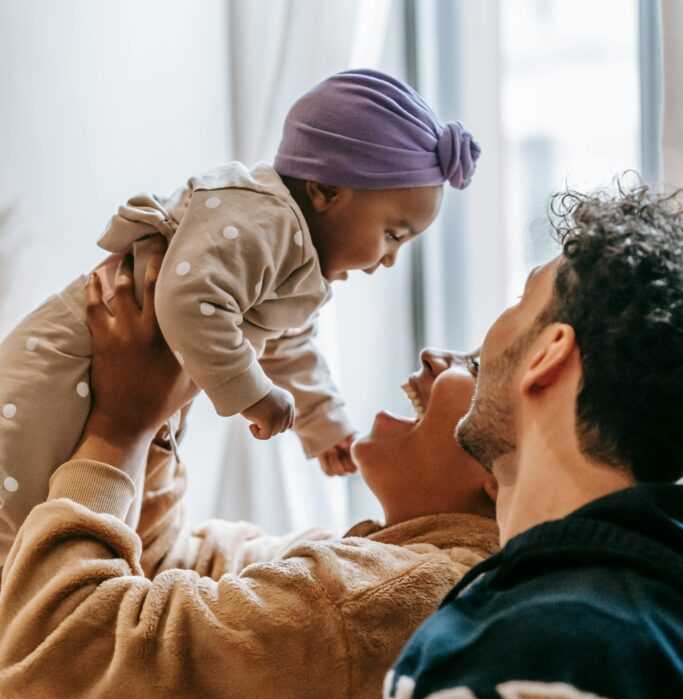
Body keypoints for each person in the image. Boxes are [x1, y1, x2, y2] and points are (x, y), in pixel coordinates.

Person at [0, 253, 498, 699]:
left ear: (508, 463)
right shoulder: (384, 572)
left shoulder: (382, 607)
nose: (436, 357)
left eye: (478, 365)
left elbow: (57, 644)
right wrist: (159, 412)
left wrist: (119, 429)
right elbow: (168, 571)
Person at [290, 179, 683, 699]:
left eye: (520, 303)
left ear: (549, 354)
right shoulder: (564, 611)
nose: (474, 344)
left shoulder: (569, 650)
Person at [0, 68, 480, 566]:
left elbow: (289, 343)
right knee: (21, 511)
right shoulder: (263, 220)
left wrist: (323, 423)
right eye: (393, 235)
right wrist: (255, 395)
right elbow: (190, 303)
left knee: (44, 523)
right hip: (62, 364)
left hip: (101, 379)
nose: (390, 259)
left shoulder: (295, 258)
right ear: (325, 191)